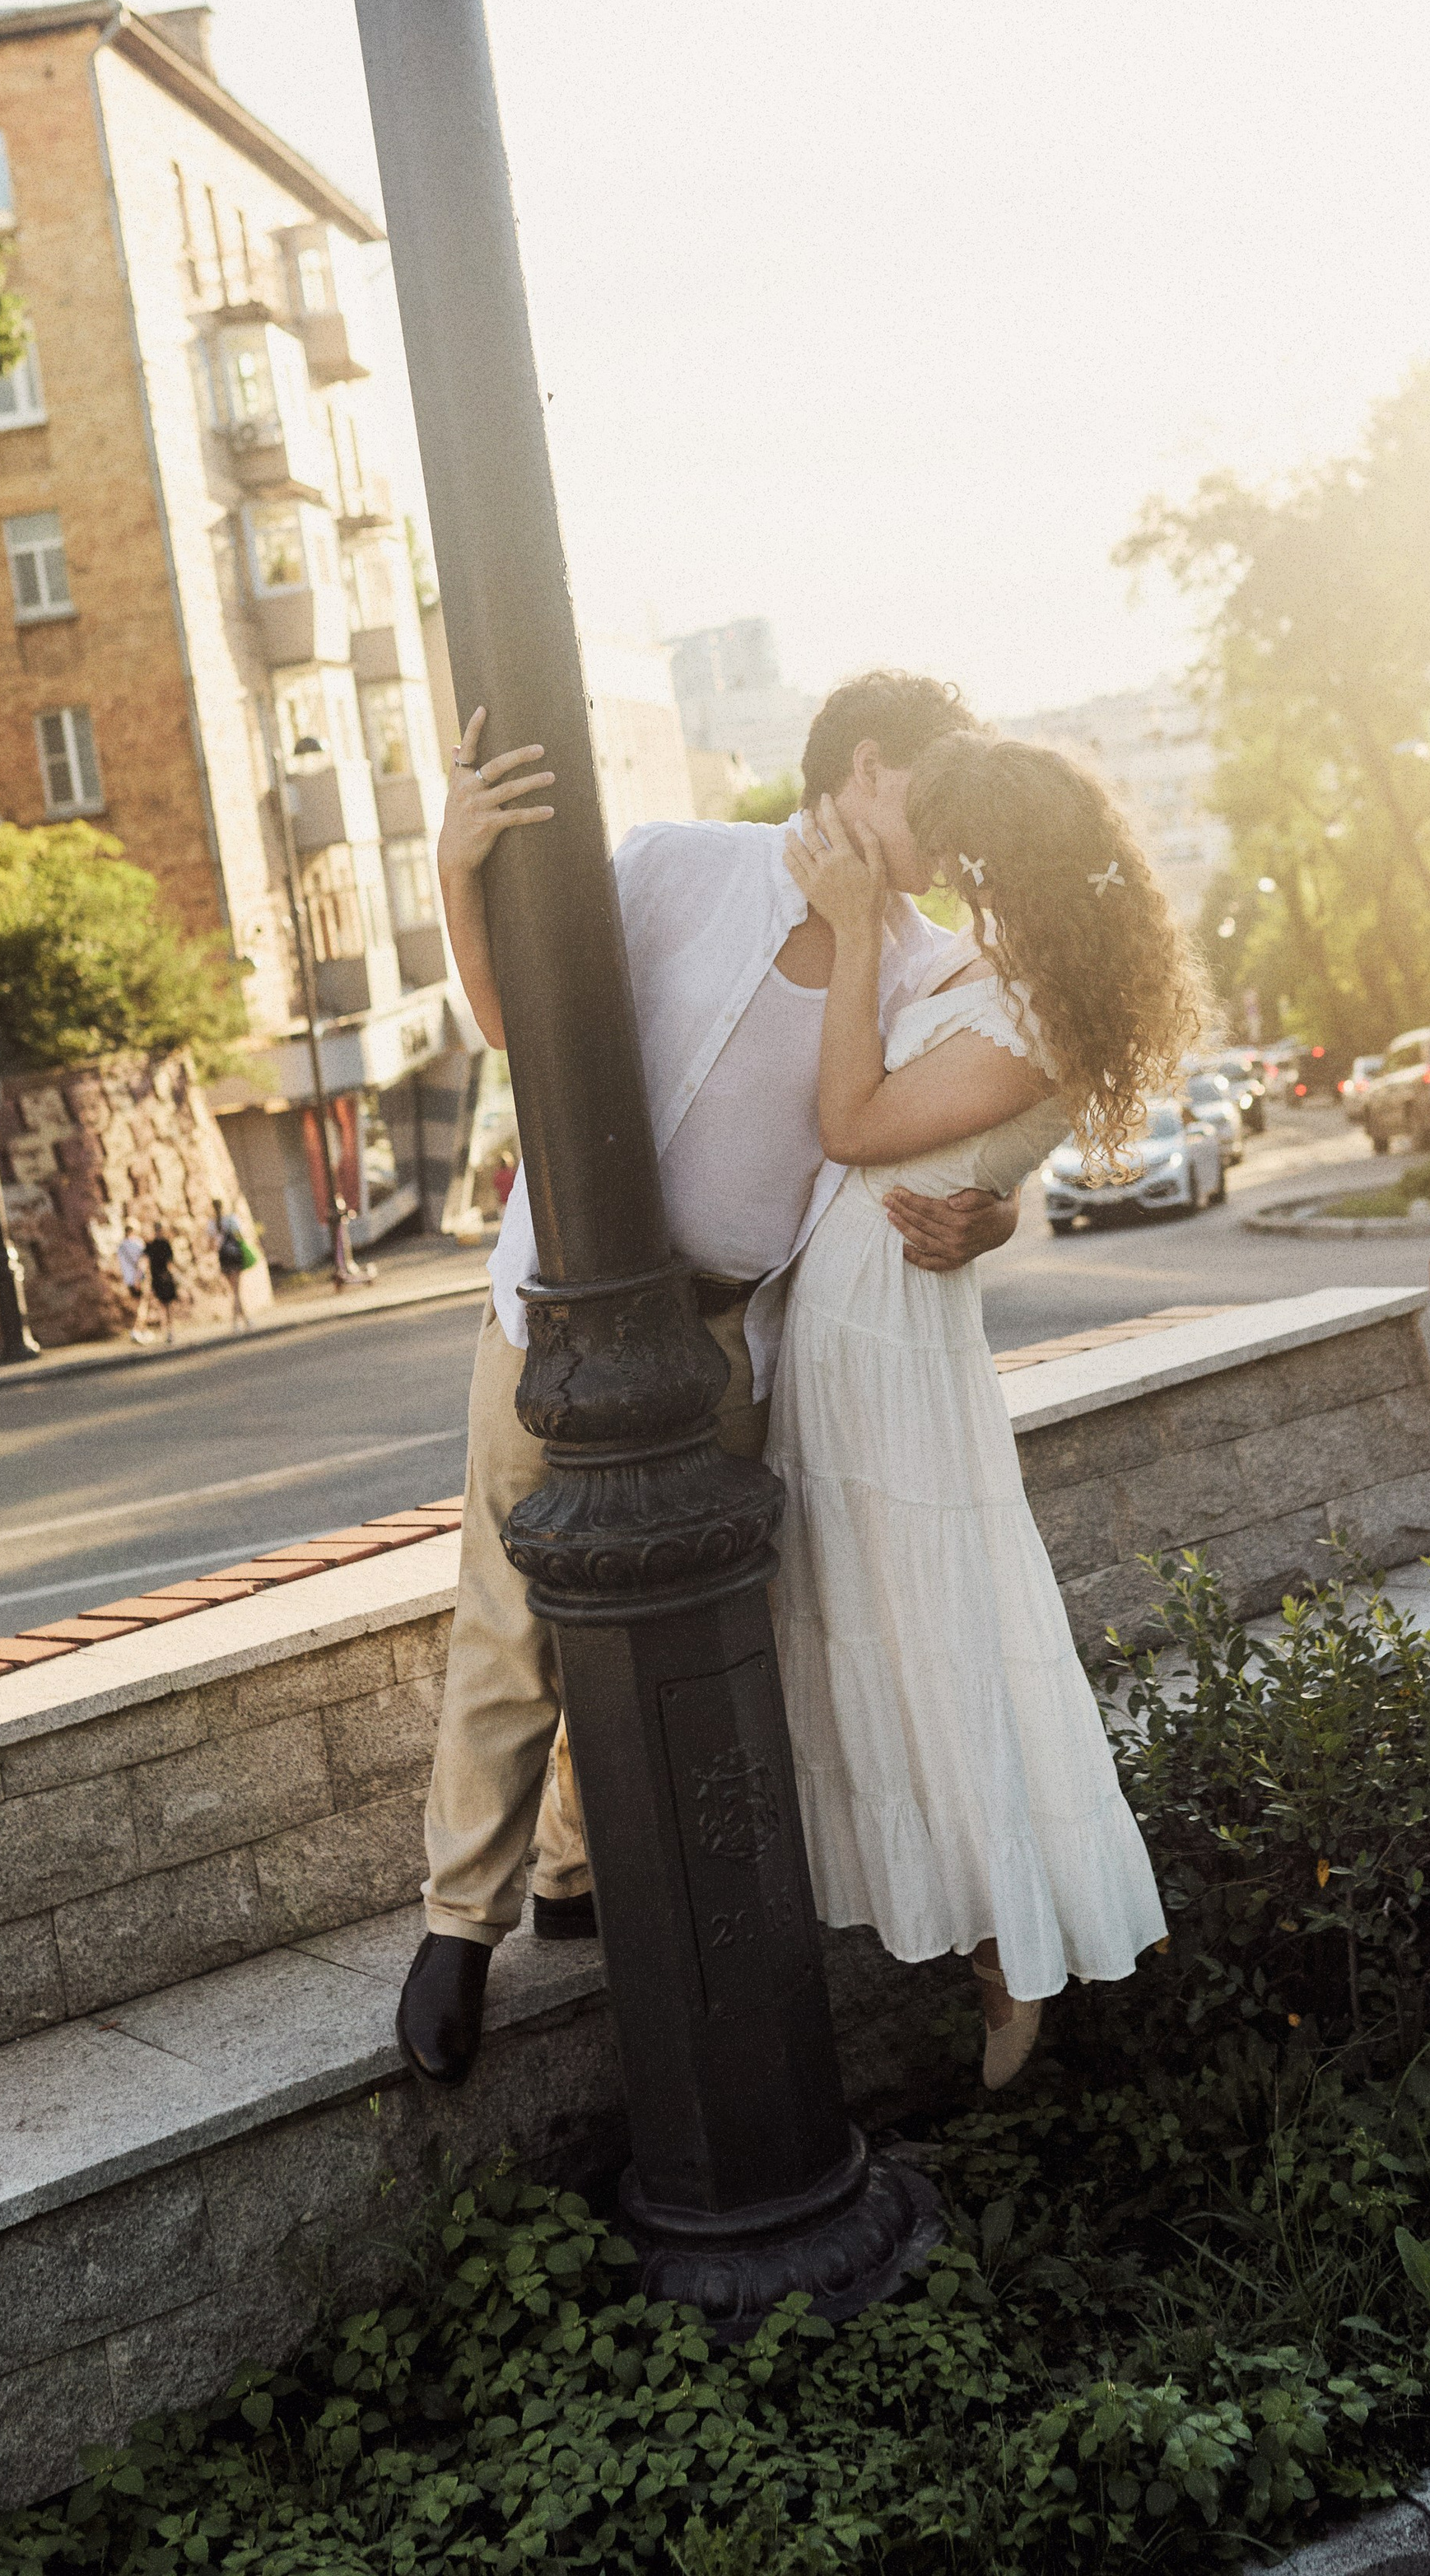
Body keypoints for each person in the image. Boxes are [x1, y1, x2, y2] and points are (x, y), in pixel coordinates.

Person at [398, 669, 1023, 2089]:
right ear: (866, 768)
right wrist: (455, 869)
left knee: (671, 1619)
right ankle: (457, 1927)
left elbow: (962, 1128)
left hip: (732, 1343)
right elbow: (521, 1027)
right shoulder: (681, 867)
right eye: (940, 793)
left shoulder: (930, 968)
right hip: (552, 1308)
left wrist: (994, 1214)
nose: (961, 832)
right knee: (513, 1606)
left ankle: (571, 1863)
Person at [771, 735, 1204, 2087]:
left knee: (937, 1630)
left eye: (963, 846)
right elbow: (969, 1163)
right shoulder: (1015, 975)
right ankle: (971, 1935)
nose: (941, 862)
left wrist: (848, 932)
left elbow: (851, 1119)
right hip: (861, 1320)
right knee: (892, 1630)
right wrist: (994, 1209)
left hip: (882, 1342)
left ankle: (1011, 1950)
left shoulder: (1041, 1010)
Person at [211, 1197, 256, 1331]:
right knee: (236, 1292)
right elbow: (240, 1236)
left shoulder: (212, 1224)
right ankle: (236, 1322)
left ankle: (245, 1320)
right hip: (234, 1256)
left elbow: (211, 1245)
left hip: (223, 1258)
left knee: (234, 1291)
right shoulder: (231, 1220)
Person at [116, 1225, 161, 1344]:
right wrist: (138, 1279)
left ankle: (142, 1330)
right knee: (143, 1305)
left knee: (138, 1305)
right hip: (138, 1279)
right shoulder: (136, 1244)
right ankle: (137, 1330)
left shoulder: (121, 1246)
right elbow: (142, 1261)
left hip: (128, 1280)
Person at [143, 1226, 180, 1337]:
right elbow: (169, 1263)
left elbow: (145, 1261)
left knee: (164, 1305)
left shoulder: (155, 1245)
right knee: (165, 1305)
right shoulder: (159, 1245)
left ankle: (168, 1330)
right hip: (162, 1277)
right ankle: (168, 1330)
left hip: (160, 1278)